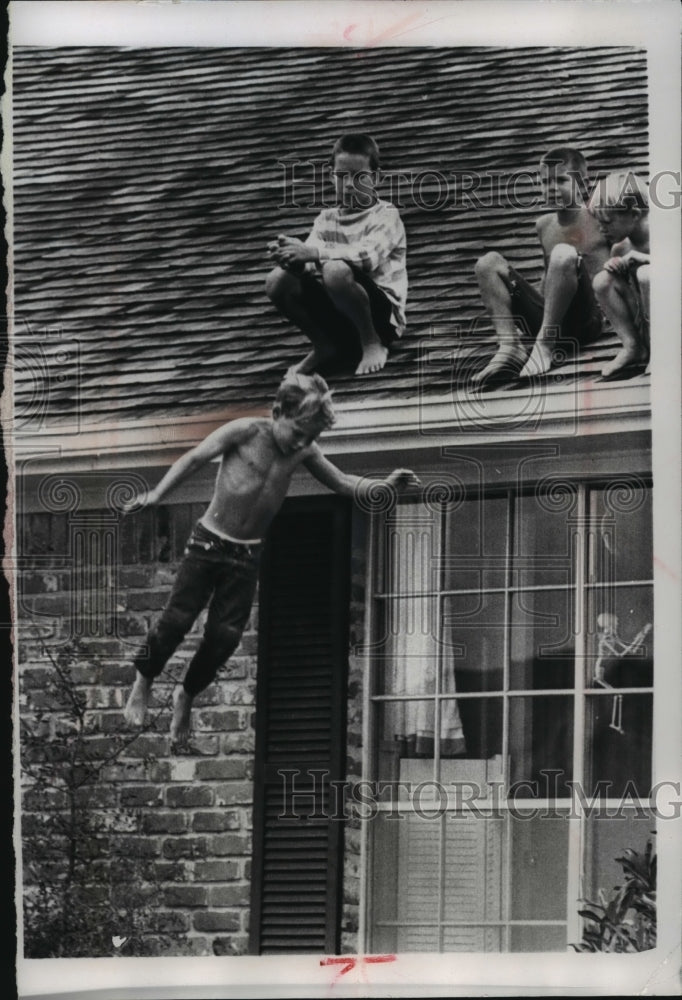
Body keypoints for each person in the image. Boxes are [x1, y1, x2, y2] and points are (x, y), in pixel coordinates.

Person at [123, 372, 419, 746]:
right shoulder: (244, 432)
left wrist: (384, 486)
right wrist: (156, 494)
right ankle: (144, 679)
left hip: (246, 556)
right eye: (297, 432)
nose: (301, 442)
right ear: (278, 412)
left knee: (225, 637)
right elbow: (195, 458)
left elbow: (343, 482)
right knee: (176, 620)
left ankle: (187, 693)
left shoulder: (304, 451)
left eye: (310, 437)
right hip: (208, 545)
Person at [265, 133, 407, 377]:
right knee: (278, 279)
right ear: (332, 177)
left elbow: (366, 258)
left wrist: (313, 253)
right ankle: (324, 344)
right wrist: (290, 257)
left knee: (334, 270)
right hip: (342, 315)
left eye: (359, 177)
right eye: (342, 177)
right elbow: (309, 265)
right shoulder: (326, 219)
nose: (350, 184)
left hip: (381, 319)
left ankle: (371, 342)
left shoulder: (385, 214)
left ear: (376, 178)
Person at [473, 146, 610, 385]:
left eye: (560, 180)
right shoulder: (544, 225)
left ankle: (544, 346)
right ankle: (509, 346)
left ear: (583, 184)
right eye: (546, 182)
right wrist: (526, 300)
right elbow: (550, 278)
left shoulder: (599, 216)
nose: (552, 188)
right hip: (552, 320)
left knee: (563, 253)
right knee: (488, 263)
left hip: (588, 319)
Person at [587, 171, 650, 379]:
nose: (601, 229)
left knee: (647, 274)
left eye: (607, 222)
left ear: (635, 214)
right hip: (648, 326)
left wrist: (647, 260)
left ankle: (663, 352)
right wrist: (617, 268)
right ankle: (634, 347)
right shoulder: (621, 248)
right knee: (603, 280)